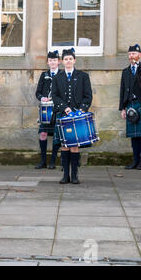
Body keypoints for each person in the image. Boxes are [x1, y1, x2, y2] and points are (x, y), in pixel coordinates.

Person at [52, 48, 93, 184]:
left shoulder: (83, 76)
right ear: (62, 62)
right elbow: (55, 96)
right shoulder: (57, 77)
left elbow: (88, 96)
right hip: (63, 115)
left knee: (74, 146)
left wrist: (81, 109)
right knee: (64, 145)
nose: (68, 61)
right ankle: (65, 176)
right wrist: (65, 108)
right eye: (66, 59)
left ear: (74, 60)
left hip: (78, 115)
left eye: (70, 59)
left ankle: (74, 175)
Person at [35, 50, 61, 169]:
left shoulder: (62, 74)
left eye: (54, 60)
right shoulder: (44, 75)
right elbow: (38, 92)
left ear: (59, 62)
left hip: (58, 109)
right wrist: (42, 98)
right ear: (47, 62)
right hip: (46, 109)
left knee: (57, 134)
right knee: (43, 134)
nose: (52, 62)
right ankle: (43, 161)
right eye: (50, 60)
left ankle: (53, 161)